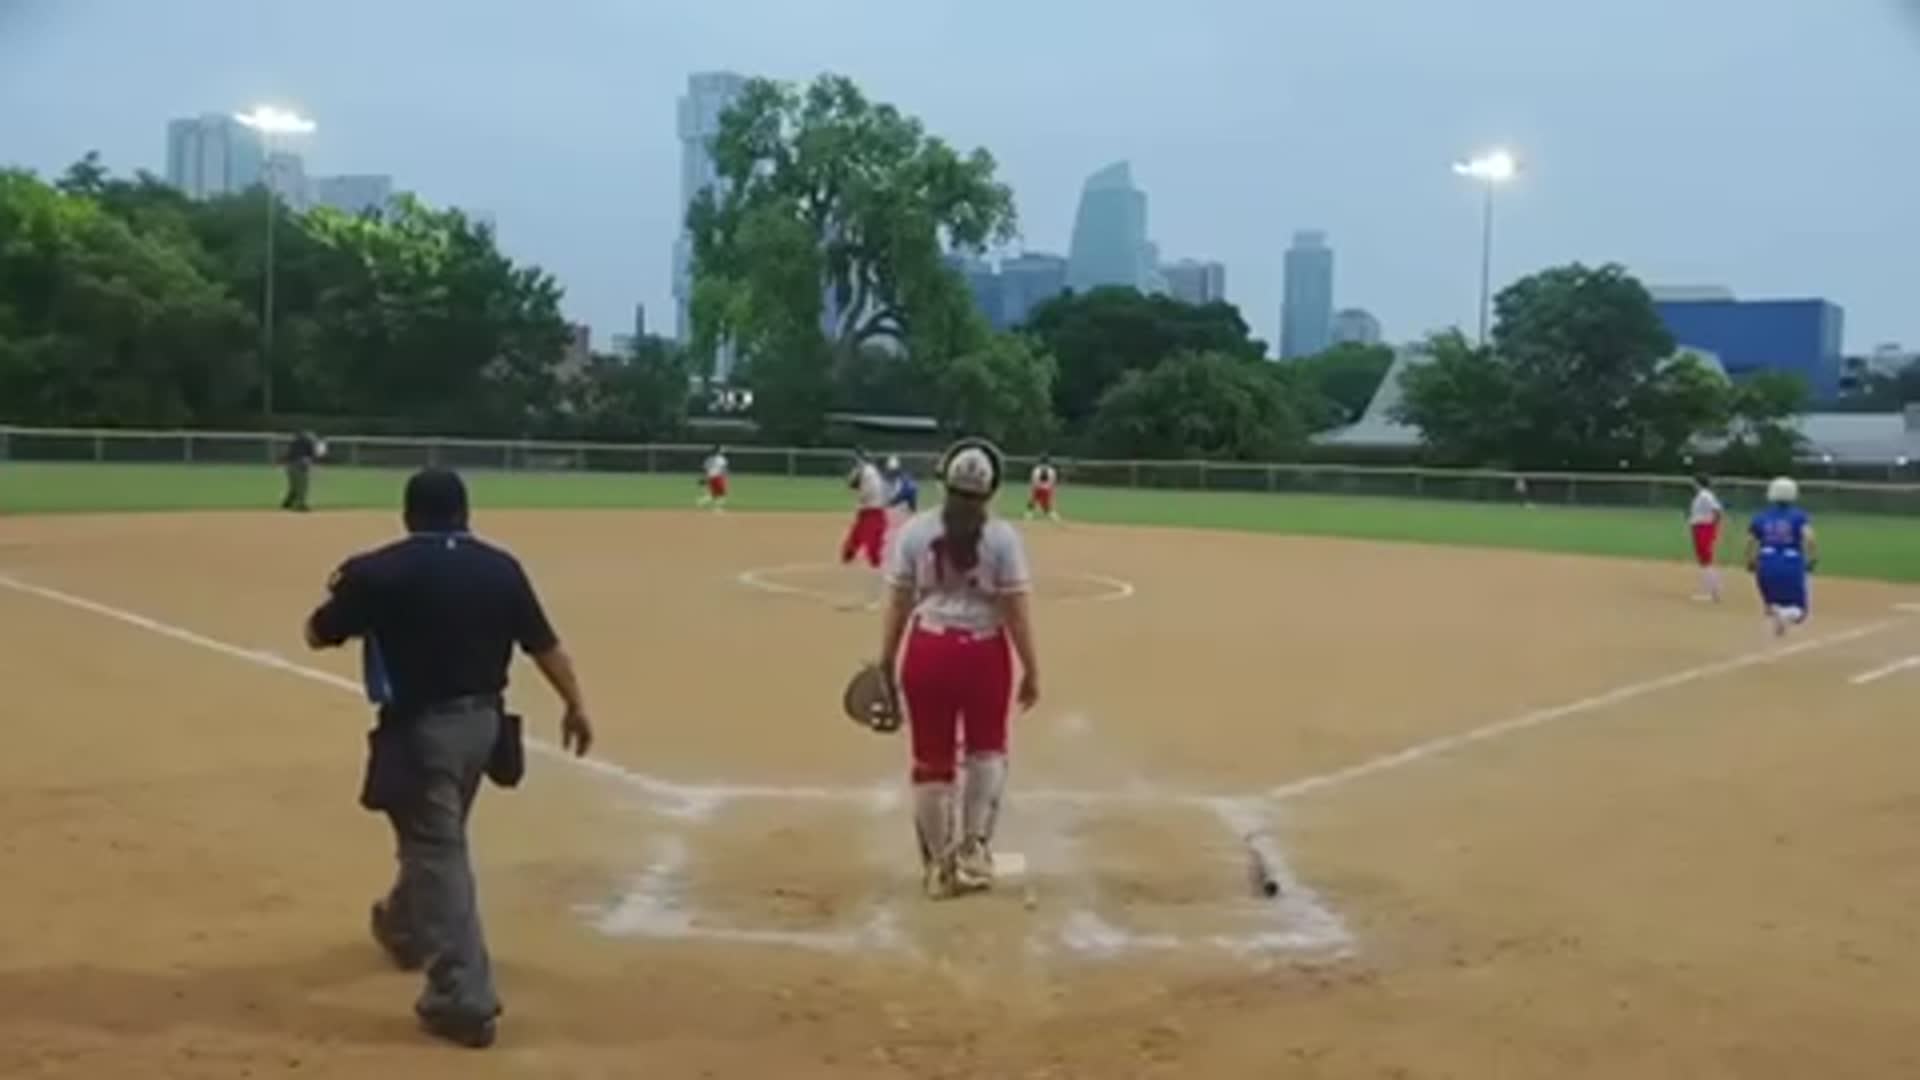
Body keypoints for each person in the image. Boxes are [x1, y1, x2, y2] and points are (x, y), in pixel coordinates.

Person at [304, 468, 593, 1049]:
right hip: (484, 729)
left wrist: (350, 605)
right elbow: (546, 646)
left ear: (409, 514)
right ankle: (405, 925)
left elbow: (318, 632)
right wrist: (575, 705)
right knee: (435, 834)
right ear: (465, 513)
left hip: (421, 732)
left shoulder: (380, 570)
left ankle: (463, 997)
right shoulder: (500, 567)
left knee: (438, 848)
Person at [877, 439, 1041, 900]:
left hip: (927, 650)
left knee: (931, 760)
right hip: (984, 654)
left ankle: (938, 865)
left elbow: (898, 602)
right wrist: (1031, 667)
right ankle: (973, 852)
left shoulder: (913, 531)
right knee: (987, 752)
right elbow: (1016, 609)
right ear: (991, 491)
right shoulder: (1003, 538)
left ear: (942, 481)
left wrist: (887, 662)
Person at [1745, 476, 1818, 637]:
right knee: (1800, 612)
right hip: (1790, 563)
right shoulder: (1799, 516)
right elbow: (1810, 538)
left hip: (1765, 562)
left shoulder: (1760, 516)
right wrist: (1812, 559)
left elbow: (1750, 542)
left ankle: (1777, 612)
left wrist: (1750, 561)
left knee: (1772, 601)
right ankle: (1784, 615)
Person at [841, 448, 891, 571]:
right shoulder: (870, 471)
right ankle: (851, 554)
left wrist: (858, 491)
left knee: (869, 537)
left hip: (872, 510)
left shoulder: (867, 471)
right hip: (871, 509)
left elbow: (858, 487)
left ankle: (870, 560)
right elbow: (854, 485)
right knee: (860, 534)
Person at [1687, 474, 1725, 602]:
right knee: (1704, 560)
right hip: (1700, 527)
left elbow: (1717, 510)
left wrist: (1713, 527)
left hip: (1704, 527)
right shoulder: (1702, 495)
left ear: (1698, 483)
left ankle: (1713, 592)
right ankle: (1713, 590)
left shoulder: (1705, 495)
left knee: (1705, 559)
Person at [282, 430, 323, 512]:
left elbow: (287, 455)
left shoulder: (294, 442)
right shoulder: (309, 443)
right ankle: (300, 505)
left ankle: (287, 503)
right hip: (300, 466)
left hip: (289, 466)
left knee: (294, 486)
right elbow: (314, 455)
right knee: (302, 487)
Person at [1026, 454, 1060, 521]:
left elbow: (1033, 480)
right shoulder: (1051, 470)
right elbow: (1053, 482)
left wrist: (1032, 489)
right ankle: (1053, 516)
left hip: (1037, 488)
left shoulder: (1036, 469)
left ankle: (1029, 515)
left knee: (1033, 501)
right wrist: (1052, 490)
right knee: (1045, 504)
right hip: (1046, 489)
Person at [698, 445, 730, 511]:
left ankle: (701, 502)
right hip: (718, 477)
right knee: (723, 493)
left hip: (710, 477)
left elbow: (705, 469)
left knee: (714, 494)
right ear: (718, 451)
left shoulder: (708, 459)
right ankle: (717, 508)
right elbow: (724, 469)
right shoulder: (721, 459)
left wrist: (704, 478)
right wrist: (726, 476)